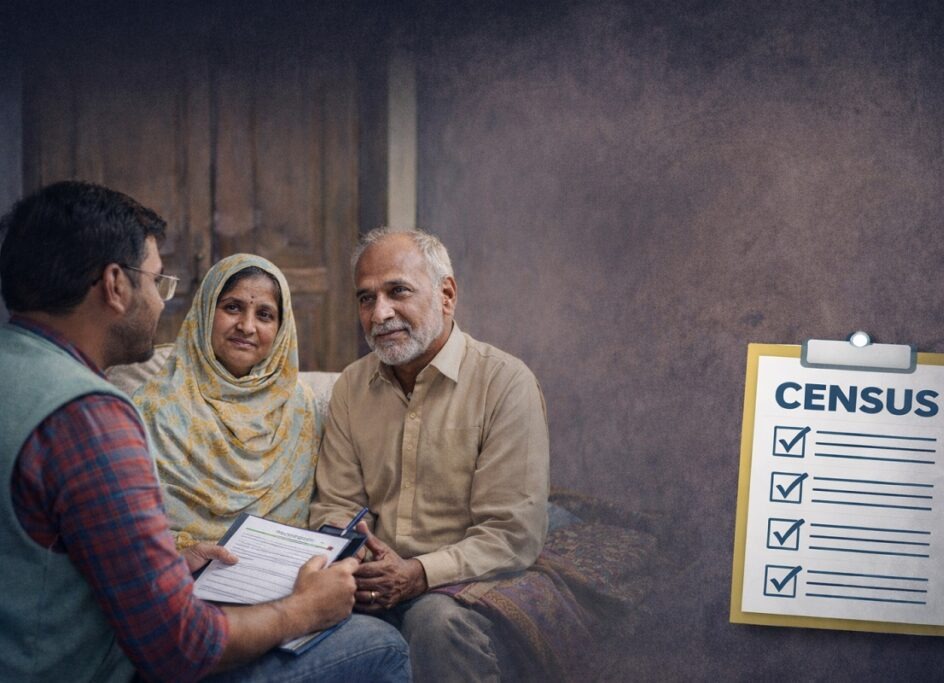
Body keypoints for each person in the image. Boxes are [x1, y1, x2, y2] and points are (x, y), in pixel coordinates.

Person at [0, 181, 409, 683]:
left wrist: (173, 561)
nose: (161, 302)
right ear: (115, 285)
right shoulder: (90, 417)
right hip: (97, 667)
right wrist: (303, 610)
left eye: (265, 315)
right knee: (382, 645)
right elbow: (180, 646)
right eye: (157, 282)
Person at [310, 226, 551, 681]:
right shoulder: (351, 387)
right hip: (374, 583)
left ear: (446, 295)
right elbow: (335, 505)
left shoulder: (505, 384)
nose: (380, 313)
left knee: (433, 623)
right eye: (366, 298)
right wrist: (359, 565)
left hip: (464, 584)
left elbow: (511, 533)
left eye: (398, 291)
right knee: (313, 628)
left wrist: (418, 573)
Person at [134, 254, 319, 549]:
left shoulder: (300, 405)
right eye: (233, 308)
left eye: (265, 315)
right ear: (206, 310)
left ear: (282, 328)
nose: (247, 326)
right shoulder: (153, 408)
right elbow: (130, 524)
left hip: (283, 566)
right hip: (179, 568)